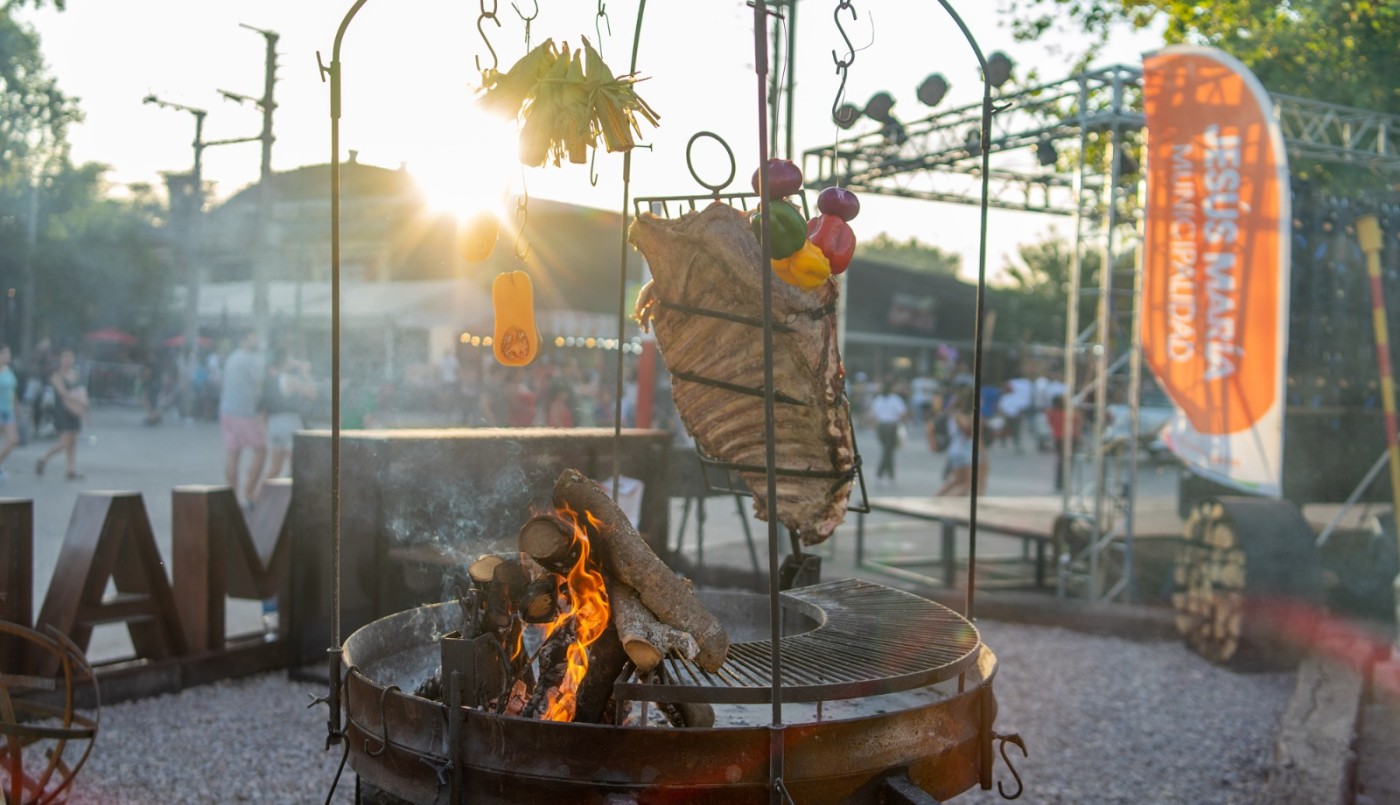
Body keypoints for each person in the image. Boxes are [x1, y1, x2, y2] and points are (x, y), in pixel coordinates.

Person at [259, 347, 317, 491]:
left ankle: (260, 495)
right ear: (285, 362)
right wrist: (306, 373)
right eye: (291, 359)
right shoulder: (290, 379)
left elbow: (264, 407)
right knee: (295, 466)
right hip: (289, 424)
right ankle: (288, 498)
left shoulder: (270, 379)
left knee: (275, 467)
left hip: (274, 424)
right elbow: (312, 394)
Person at [219, 330, 266, 506]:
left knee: (233, 453)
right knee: (261, 450)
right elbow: (261, 382)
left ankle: (232, 497)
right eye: (254, 336)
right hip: (245, 412)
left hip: (226, 411)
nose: (257, 340)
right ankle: (248, 494)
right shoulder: (251, 359)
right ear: (245, 339)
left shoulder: (232, 358)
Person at [36, 347, 87, 480]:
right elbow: (62, 392)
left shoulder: (75, 373)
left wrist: (82, 404)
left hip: (74, 410)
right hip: (61, 410)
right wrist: (79, 400)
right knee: (64, 442)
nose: (67, 360)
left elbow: (80, 389)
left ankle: (70, 469)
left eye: (70, 357)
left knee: (73, 440)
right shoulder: (56, 375)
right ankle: (44, 458)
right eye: (65, 357)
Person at [934, 388, 988, 496]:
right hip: (967, 450)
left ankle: (936, 499)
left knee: (957, 481)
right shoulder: (971, 416)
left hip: (956, 449)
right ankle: (940, 503)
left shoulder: (956, 413)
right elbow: (975, 436)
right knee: (969, 484)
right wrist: (983, 454)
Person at [868, 379, 909, 483]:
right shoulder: (895, 399)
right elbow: (903, 413)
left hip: (881, 427)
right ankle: (881, 474)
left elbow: (873, 415)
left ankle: (889, 476)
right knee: (888, 451)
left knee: (888, 451)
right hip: (891, 426)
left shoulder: (878, 399)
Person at [0, 345, 19, 482]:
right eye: (4, 353)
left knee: (13, 440)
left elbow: (12, 391)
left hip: (9, 410)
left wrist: (17, 406)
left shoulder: (9, 371)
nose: (7, 356)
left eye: (8, 353)